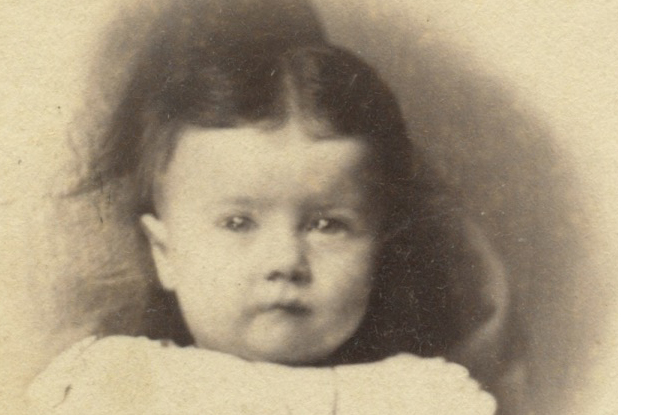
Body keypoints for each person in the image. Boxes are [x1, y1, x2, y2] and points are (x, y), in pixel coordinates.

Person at [27, 0, 498, 413]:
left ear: (378, 246)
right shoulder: (122, 383)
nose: (285, 262)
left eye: (326, 224)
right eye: (238, 222)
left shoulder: (412, 396)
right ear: (164, 253)